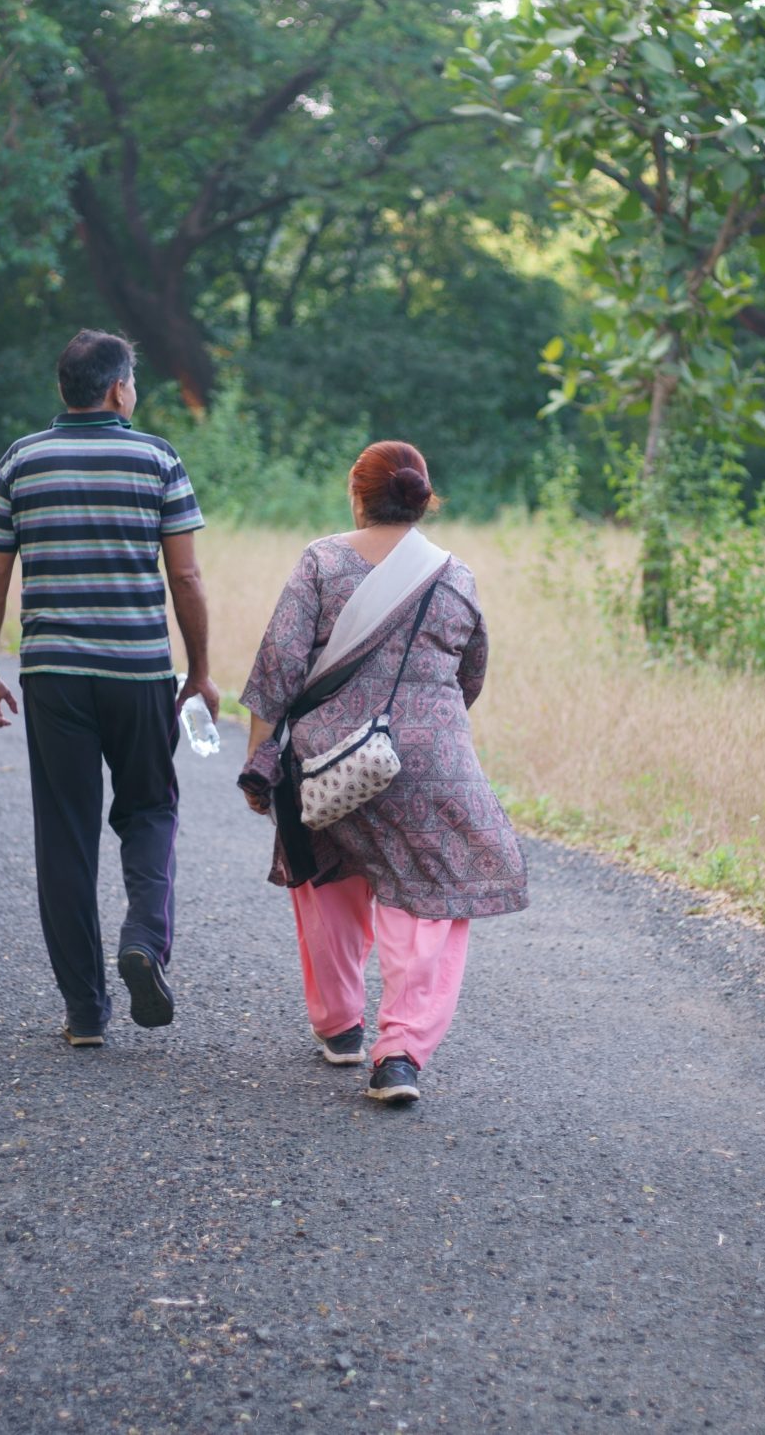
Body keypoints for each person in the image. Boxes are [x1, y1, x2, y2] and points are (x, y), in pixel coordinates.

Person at [237, 441, 527, 1106]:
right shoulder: (455, 575)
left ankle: (341, 1027)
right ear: (424, 497)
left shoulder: (321, 561)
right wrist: (427, 734)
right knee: (426, 901)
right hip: (426, 763)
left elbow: (277, 668)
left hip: (326, 762)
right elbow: (470, 674)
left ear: (357, 492)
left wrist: (261, 760)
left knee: (327, 882)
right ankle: (399, 1056)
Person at [0, 330, 219, 1048]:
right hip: (139, 672)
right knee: (150, 809)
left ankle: (85, 1012)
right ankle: (143, 937)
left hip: (53, 677)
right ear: (118, 390)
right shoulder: (156, 458)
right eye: (133, 382)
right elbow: (187, 577)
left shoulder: (22, 459)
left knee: (66, 836)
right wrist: (198, 671)